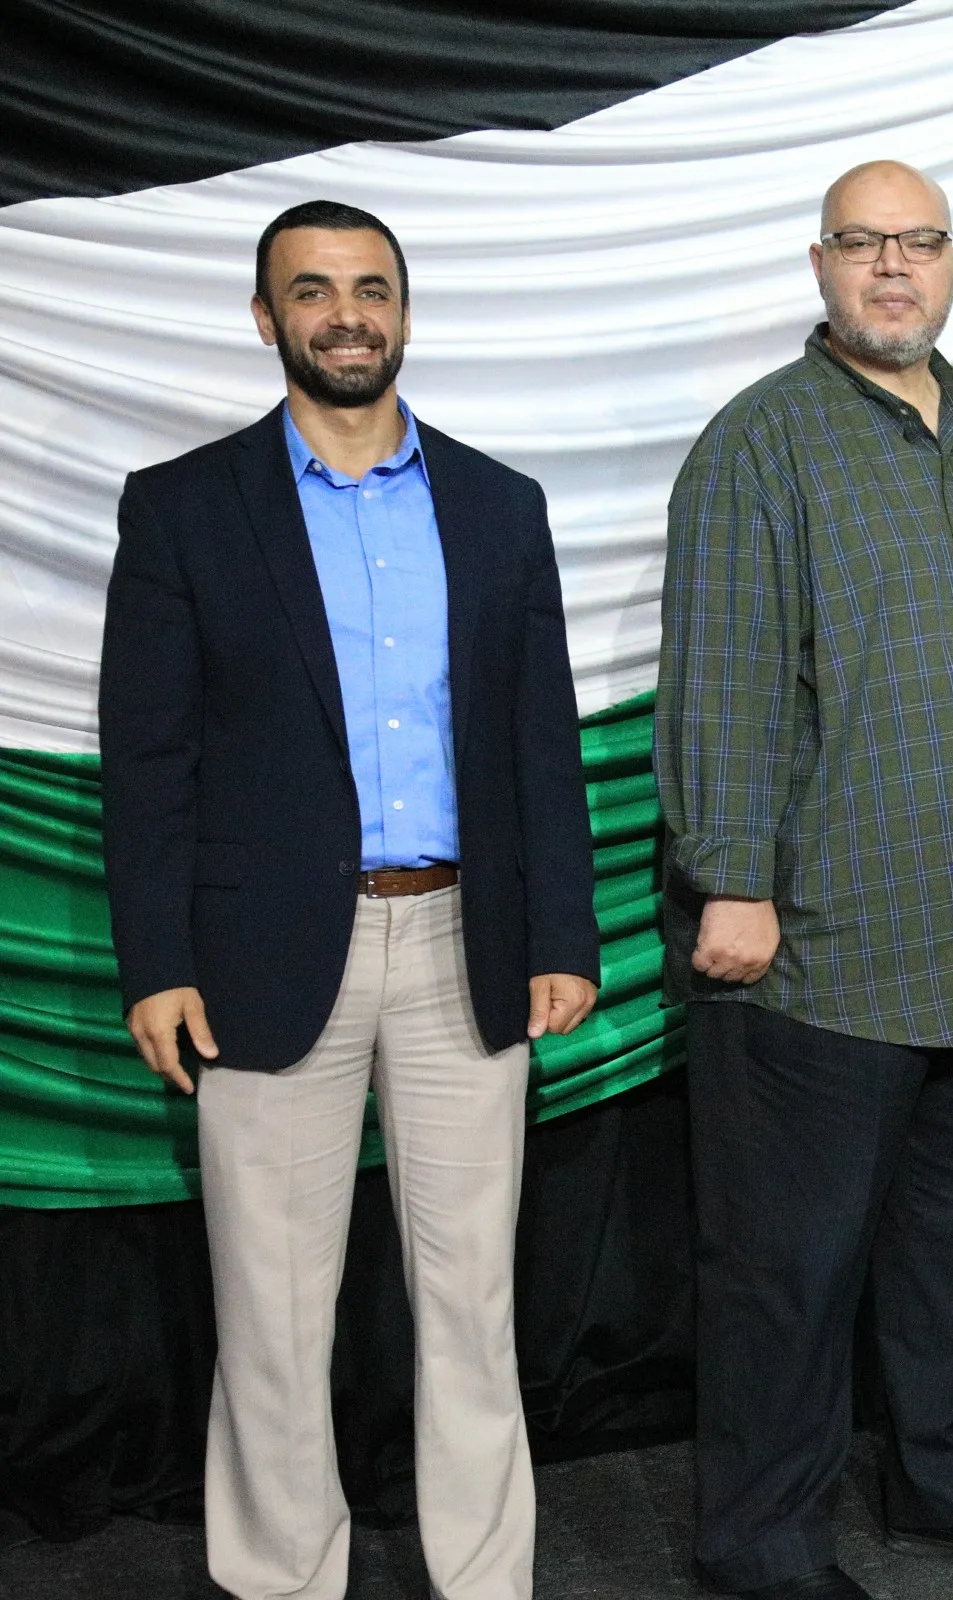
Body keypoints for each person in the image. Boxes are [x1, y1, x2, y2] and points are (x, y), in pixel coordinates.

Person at [98, 199, 601, 1600]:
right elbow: (149, 759)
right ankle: (280, 1577)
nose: (346, 314)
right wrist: (156, 960)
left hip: (464, 941)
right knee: (271, 1309)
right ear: (267, 319)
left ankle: (484, 1577)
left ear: (405, 311)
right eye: (312, 290)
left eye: (371, 287)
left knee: (472, 1296)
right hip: (257, 954)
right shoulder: (184, 508)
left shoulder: (500, 506)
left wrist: (563, 930)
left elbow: (540, 738)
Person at [654, 160, 953, 1600]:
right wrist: (731, 879)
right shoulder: (759, 441)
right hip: (828, 941)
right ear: (821, 266)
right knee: (789, 1269)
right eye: (864, 243)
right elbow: (725, 674)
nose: (894, 267)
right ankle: (763, 1544)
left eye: (919, 242)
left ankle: (948, 1490)